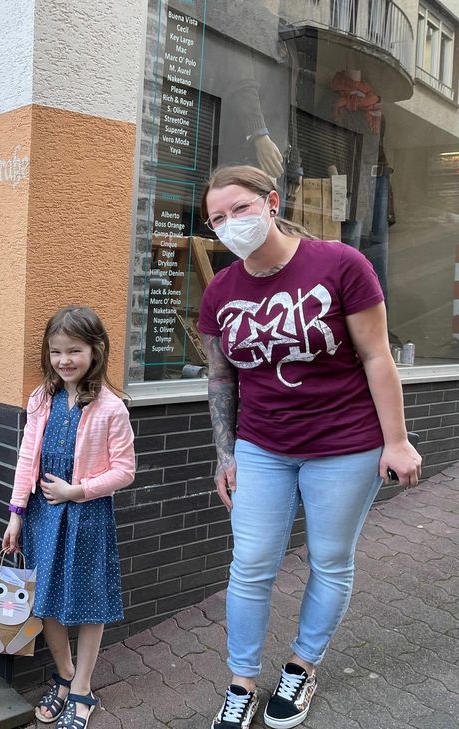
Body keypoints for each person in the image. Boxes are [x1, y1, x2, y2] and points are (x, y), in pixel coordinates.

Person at [197, 165, 422, 729]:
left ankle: (302, 665)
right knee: (250, 565)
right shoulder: (221, 290)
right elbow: (221, 378)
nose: (230, 224)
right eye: (217, 218)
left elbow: (376, 356)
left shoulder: (341, 265)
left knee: (329, 559)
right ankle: (241, 682)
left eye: (240, 209)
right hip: (263, 447)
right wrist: (226, 454)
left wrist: (396, 440)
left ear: (271, 202)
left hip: (345, 446)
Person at [2, 306, 136, 728]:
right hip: (43, 515)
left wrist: (77, 491)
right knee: (45, 601)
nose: (64, 360)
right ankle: (63, 676)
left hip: (87, 515)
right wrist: (16, 513)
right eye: (56, 351)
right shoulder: (42, 398)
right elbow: (28, 458)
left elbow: (125, 469)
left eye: (74, 350)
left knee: (88, 602)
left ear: (96, 350)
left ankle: (82, 687)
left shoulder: (111, 407)